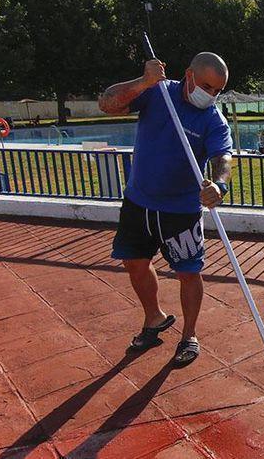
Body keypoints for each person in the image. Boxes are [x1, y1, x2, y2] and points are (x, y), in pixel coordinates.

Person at [98, 52, 233, 366]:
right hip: (138, 202)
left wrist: (219, 184)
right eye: (206, 86)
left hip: (181, 210)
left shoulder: (213, 118)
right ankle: (154, 318)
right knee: (134, 262)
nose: (211, 95)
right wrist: (143, 81)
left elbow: (222, 158)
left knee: (188, 272)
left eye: (217, 90)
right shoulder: (158, 92)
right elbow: (108, 103)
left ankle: (189, 335)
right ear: (188, 75)